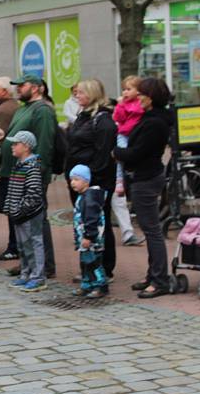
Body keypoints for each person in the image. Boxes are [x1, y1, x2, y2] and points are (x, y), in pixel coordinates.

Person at [114, 78, 171, 299]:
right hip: (143, 177)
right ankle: (153, 275)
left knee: (152, 231)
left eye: (142, 94)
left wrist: (117, 153)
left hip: (146, 178)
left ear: (152, 97)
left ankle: (159, 280)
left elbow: (137, 152)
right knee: (149, 229)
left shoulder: (155, 123)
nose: (138, 98)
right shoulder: (149, 118)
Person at [0, 74, 57, 278]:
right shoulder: (23, 108)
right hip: (16, 173)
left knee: (37, 221)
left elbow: (45, 145)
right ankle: (28, 263)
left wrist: (37, 173)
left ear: (37, 88)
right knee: (21, 221)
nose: (19, 88)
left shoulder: (43, 111)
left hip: (31, 174)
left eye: (23, 85)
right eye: (17, 85)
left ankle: (44, 266)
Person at [65, 79, 118, 280]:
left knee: (97, 223)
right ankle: (89, 267)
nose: (76, 96)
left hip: (95, 182)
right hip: (81, 180)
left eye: (80, 93)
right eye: (76, 93)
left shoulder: (102, 120)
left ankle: (103, 267)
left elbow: (103, 155)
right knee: (85, 223)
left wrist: (89, 180)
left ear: (92, 94)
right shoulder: (84, 115)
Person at [4, 131, 46, 292]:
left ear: (26, 147)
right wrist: (11, 207)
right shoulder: (19, 165)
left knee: (34, 244)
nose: (12, 146)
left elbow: (34, 194)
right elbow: (13, 190)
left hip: (29, 214)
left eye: (16, 144)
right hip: (19, 214)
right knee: (23, 245)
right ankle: (26, 274)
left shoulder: (31, 167)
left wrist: (20, 209)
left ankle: (38, 277)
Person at [112, 76, 145, 247]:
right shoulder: (124, 104)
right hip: (124, 135)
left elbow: (136, 116)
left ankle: (128, 233)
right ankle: (127, 233)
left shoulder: (140, 106)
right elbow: (118, 117)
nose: (125, 92)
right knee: (120, 156)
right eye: (124, 89)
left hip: (131, 136)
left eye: (129, 89)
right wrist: (120, 105)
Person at [69, 165, 109, 299]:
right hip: (84, 240)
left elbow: (91, 220)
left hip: (91, 240)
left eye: (76, 179)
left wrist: (88, 236)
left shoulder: (90, 198)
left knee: (94, 262)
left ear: (86, 181)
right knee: (85, 263)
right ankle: (87, 284)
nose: (72, 183)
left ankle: (101, 285)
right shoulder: (83, 197)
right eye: (71, 180)